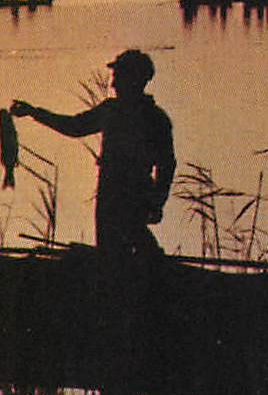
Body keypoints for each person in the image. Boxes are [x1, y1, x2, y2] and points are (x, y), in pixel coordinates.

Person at [13, 49, 175, 260]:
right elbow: (74, 126)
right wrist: (34, 112)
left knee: (132, 247)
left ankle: (154, 269)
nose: (113, 84)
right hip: (110, 193)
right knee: (114, 253)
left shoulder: (153, 119)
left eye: (118, 77)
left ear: (134, 80)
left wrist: (156, 202)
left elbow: (166, 165)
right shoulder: (114, 111)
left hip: (133, 195)